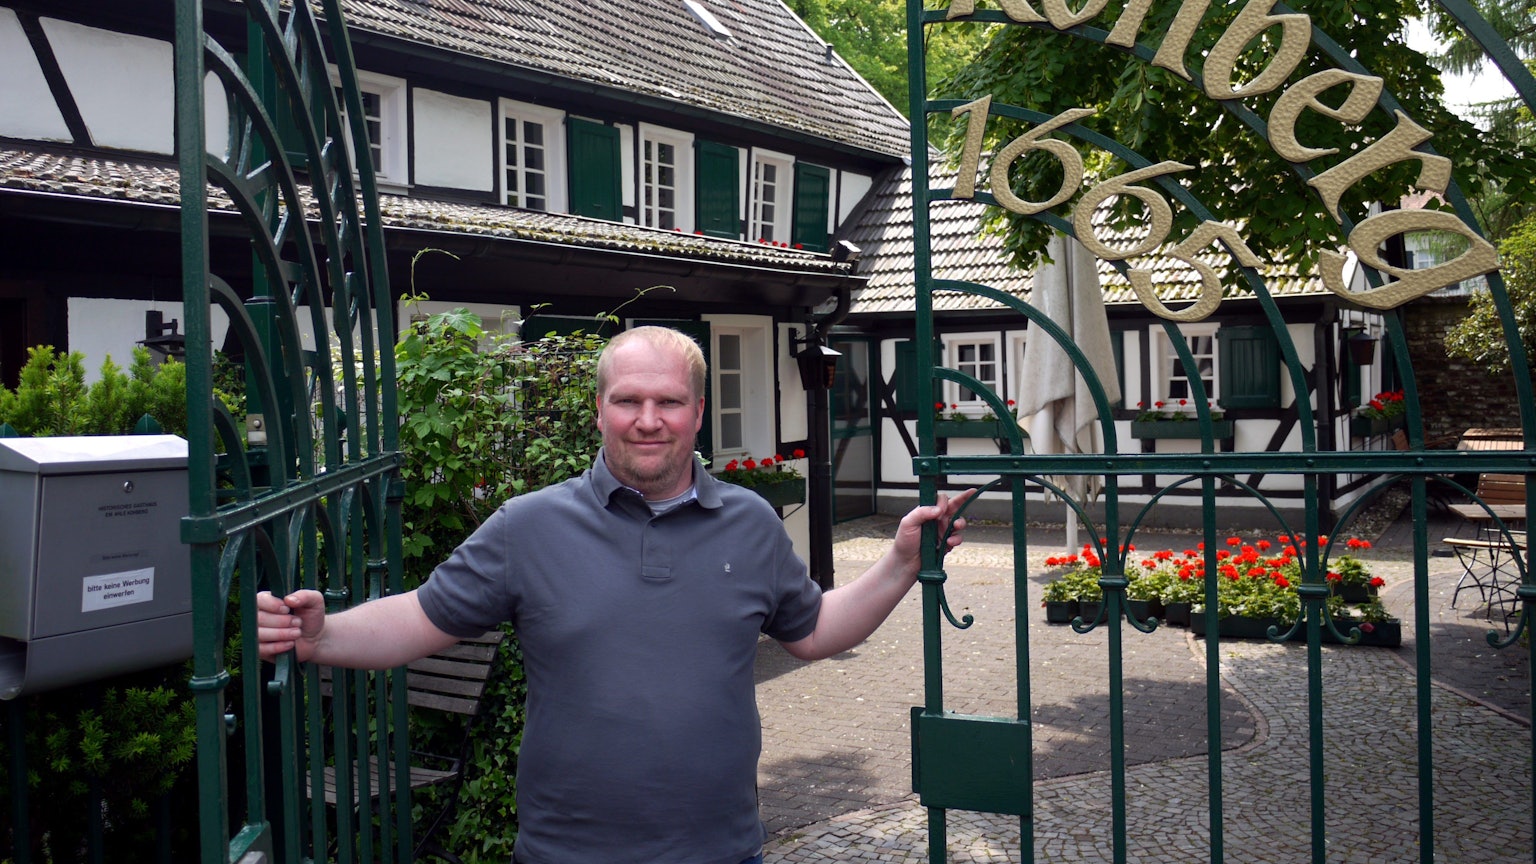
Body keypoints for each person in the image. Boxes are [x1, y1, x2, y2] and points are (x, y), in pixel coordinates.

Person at [257, 325, 974, 864]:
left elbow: (813, 629)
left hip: (721, 849)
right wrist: (323, 636)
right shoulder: (528, 526)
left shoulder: (752, 523)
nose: (648, 419)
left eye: (669, 401)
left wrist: (899, 564)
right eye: (628, 400)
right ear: (600, 410)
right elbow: (421, 616)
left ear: (698, 411)